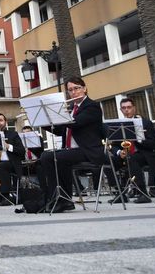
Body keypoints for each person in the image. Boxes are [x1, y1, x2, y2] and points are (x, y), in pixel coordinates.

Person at [40, 76, 105, 213]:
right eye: (70, 90)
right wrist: (44, 120)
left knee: (48, 157)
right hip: (72, 151)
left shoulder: (91, 106)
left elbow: (76, 123)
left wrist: (58, 114)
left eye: (77, 88)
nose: (74, 92)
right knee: (54, 158)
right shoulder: (71, 109)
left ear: (84, 89)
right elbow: (60, 131)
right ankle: (62, 199)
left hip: (88, 151)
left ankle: (59, 199)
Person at [115, 98, 155, 204]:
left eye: (129, 107)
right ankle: (120, 194)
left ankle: (143, 194)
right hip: (126, 154)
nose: (127, 110)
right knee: (109, 160)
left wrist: (139, 139)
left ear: (134, 108)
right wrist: (118, 152)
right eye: (124, 108)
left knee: (133, 159)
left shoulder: (145, 123)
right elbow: (114, 144)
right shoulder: (119, 125)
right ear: (121, 110)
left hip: (146, 154)